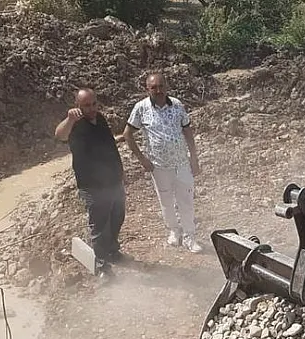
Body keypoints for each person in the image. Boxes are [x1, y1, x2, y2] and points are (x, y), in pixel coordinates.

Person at [123, 72, 203, 254]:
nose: (158, 90)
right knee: (166, 201)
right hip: (158, 166)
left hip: (181, 163)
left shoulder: (177, 105)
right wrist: (142, 159)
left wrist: (194, 157)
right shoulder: (141, 108)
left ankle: (190, 236)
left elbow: (187, 131)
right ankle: (174, 231)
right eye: (154, 87)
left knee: (186, 201)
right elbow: (127, 134)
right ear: (147, 89)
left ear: (166, 87)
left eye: (161, 86)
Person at [54, 87, 126, 272]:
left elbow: (109, 146)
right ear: (77, 106)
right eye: (86, 105)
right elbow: (59, 135)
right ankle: (102, 265)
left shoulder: (100, 119)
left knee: (117, 217)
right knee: (100, 225)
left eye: (94, 103)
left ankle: (112, 250)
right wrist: (70, 119)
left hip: (113, 181)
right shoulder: (75, 124)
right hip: (92, 186)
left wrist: (120, 172)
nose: (91, 108)